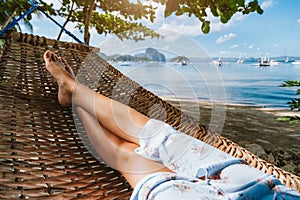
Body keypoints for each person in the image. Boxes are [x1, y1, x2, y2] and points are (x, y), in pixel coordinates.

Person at [44, 50, 300, 199]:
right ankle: (74, 89)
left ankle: (74, 96)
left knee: (126, 157)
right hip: (269, 191)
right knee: (159, 134)